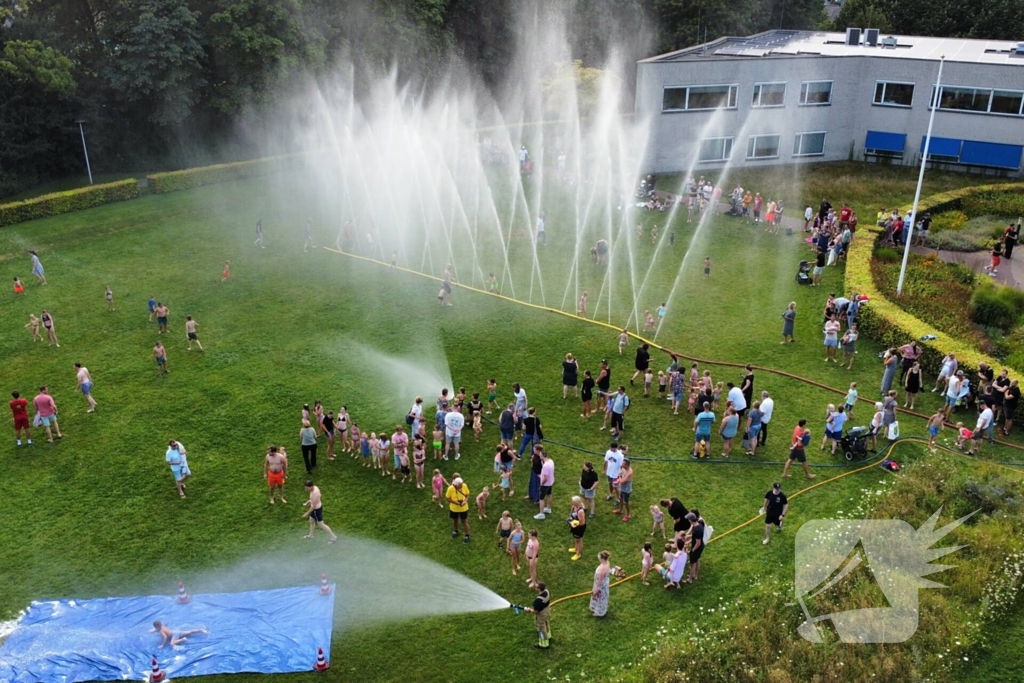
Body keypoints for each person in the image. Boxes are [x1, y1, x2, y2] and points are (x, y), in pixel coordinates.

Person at [590, 551, 618, 617]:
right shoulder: (607, 563)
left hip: (600, 585)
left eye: (599, 557)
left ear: (602, 559)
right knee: (603, 597)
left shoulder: (602, 569)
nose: (598, 558)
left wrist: (596, 588)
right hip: (605, 583)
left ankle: (598, 612)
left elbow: (600, 580)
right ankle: (598, 609)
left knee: (599, 598)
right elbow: (608, 570)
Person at [524, 581, 551, 648]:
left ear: (539, 589)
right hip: (547, 610)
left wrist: (529, 610)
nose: (535, 586)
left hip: (541, 614)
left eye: (536, 586)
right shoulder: (547, 592)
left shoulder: (538, 601)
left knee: (541, 627)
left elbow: (535, 611)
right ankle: (548, 635)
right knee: (546, 622)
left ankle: (544, 644)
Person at [446, 475, 471, 542]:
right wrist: (455, 502)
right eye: (460, 485)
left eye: (462, 484)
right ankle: (455, 531)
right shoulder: (450, 488)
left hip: (463, 508)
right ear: (456, 485)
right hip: (454, 508)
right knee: (455, 520)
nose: (462, 486)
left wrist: (465, 501)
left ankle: (467, 535)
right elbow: (447, 498)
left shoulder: (464, 485)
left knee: (464, 521)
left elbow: (468, 494)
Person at [533, 449, 555, 520]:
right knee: (549, 494)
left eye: (540, 455)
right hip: (551, 482)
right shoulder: (551, 461)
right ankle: (548, 508)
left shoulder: (545, 466)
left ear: (542, 456)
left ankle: (541, 514)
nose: (539, 456)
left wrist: (542, 483)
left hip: (545, 484)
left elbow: (545, 478)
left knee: (541, 498)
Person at [685, 513, 705, 584]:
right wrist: (689, 541)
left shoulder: (697, 530)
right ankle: (695, 575)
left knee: (693, 564)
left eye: (688, 519)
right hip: (700, 546)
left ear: (691, 520)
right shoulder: (698, 525)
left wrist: (693, 550)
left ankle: (690, 579)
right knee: (697, 560)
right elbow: (695, 537)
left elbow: (698, 543)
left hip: (697, 548)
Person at [568, 496, 587, 561]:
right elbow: (571, 515)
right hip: (575, 526)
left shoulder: (580, 511)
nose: (572, 502)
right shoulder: (574, 507)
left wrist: (574, 523)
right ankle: (576, 549)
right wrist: (570, 521)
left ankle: (578, 554)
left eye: (573, 501)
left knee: (579, 540)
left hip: (579, 528)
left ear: (577, 502)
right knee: (576, 539)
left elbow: (582, 522)